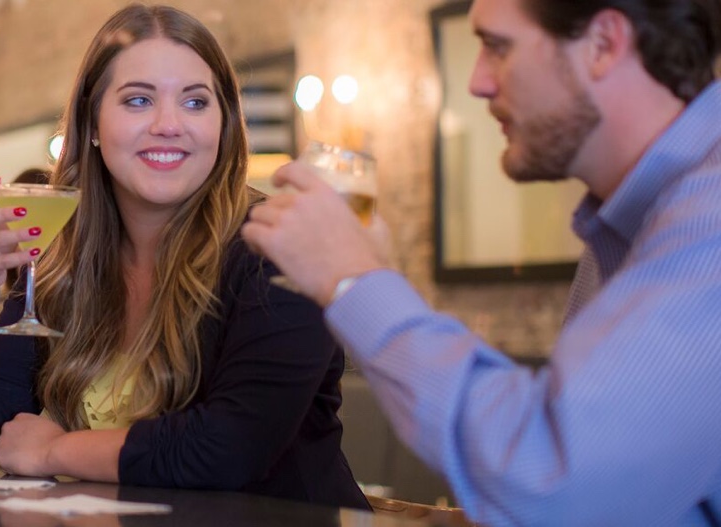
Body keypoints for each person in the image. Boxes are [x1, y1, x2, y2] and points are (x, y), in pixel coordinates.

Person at [241, 0, 721, 524]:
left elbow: (546, 477)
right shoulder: (628, 229)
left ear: (604, 44)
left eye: (497, 47)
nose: (476, 83)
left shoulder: (708, 218)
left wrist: (354, 279)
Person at [0, 4, 369, 509]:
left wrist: (54, 451)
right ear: (91, 123)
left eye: (195, 102)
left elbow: (229, 449)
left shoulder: (278, 250)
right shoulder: (64, 263)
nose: (169, 124)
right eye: (138, 100)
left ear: (223, 125)